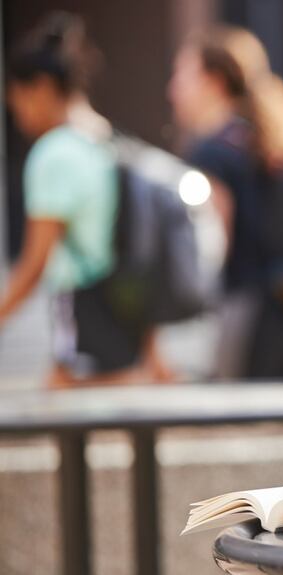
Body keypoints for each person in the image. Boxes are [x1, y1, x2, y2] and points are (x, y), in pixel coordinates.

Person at [0, 12, 169, 387]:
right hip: (127, 304)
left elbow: (34, 263)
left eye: (17, 103)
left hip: (84, 307)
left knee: (71, 407)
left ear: (41, 87)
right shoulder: (109, 138)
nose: (18, 116)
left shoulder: (55, 153)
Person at [167, 26, 283, 379]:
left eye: (182, 75)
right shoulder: (261, 137)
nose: (172, 89)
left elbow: (212, 241)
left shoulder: (211, 150)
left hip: (244, 309)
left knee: (235, 415)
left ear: (214, 81)